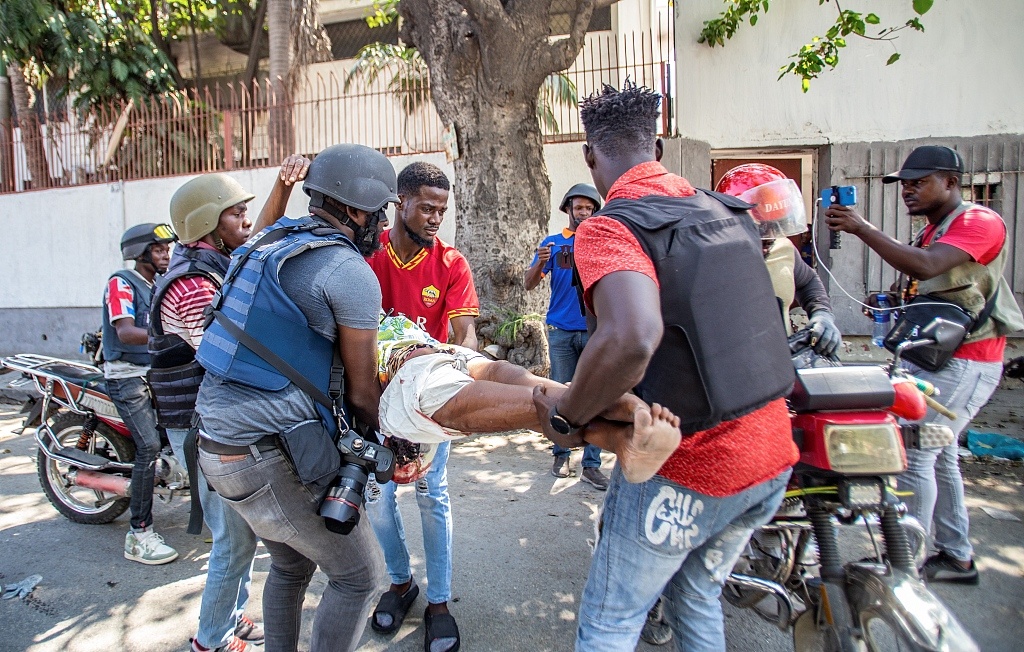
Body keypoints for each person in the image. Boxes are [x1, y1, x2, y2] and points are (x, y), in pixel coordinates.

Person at [532, 82, 799, 651]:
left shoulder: (610, 226)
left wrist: (567, 417)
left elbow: (631, 337)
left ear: (589, 154)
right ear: (654, 144)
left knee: (610, 619)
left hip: (692, 468)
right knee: (696, 595)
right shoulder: (723, 209)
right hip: (772, 455)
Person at [193, 143, 397, 652]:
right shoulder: (349, 272)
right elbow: (362, 389)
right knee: (359, 577)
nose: (382, 223)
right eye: (379, 211)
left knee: (290, 563)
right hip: (265, 455)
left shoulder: (267, 242)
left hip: (215, 445)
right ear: (354, 209)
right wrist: (393, 441)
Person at [826, 145, 1024, 585]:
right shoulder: (935, 229)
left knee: (916, 453)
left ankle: (903, 566)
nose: (908, 191)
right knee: (943, 454)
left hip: (966, 361)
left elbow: (929, 265)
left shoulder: (978, 221)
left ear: (951, 182)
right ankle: (956, 556)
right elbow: (923, 271)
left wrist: (861, 228)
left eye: (920, 182)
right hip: (940, 356)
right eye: (905, 184)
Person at [149, 156, 309, 652]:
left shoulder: (213, 263)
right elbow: (227, 354)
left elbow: (259, 235)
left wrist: (281, 188)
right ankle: (211, 640)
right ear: (206, 224)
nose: (246, 219)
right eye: (235, 212)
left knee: (242, 532)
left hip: (212, 422)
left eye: (244, 210)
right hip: (199, 428)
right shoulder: (192, 284)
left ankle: (231, 617)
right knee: (234, 539)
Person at [363, 161, 478, 652]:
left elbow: (464, 336)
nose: (435, 218)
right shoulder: (366, 257)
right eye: (427, 208)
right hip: (371, 400)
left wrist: (462, 381)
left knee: (434, 497)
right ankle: (399, 583)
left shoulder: (451, 264)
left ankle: (439, 602)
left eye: (442, 210)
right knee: (378, 502)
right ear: (399, 203)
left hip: (428, 403)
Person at [374, 312, 681, 482]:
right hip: (431, 363)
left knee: (522, 390)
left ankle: (622, 426)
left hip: (436, 357)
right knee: (530, 397)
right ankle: (623, 420)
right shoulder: (405, 405)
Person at [102, 223, 178, 566]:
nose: (166, 255)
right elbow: (127, 333)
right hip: (127, 376)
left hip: (153, 372)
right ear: (140, 253)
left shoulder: (157, 284)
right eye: (159, 249)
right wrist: (170, 333)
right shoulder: (121, 282)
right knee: (148, 446)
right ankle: (140, 533)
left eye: (167, 249)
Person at [525, 183, 610, 489]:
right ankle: (561, 455)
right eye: (578, 208)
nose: (583, 213)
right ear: (568, 209)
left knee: (596, 395)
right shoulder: (552, 243)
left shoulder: (601, 243)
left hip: (594, 332)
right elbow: (529, 283)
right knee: (560, 394)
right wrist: (541, 262)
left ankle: (591, 464)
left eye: (589, 208)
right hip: (560, 331)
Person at [716, 163, 841, 353]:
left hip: (781, 365)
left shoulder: (783, 249)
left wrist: (822, 314)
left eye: (775, 226)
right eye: (760, 228)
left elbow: (807, 281)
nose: (770, 236)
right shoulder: (708, 257)